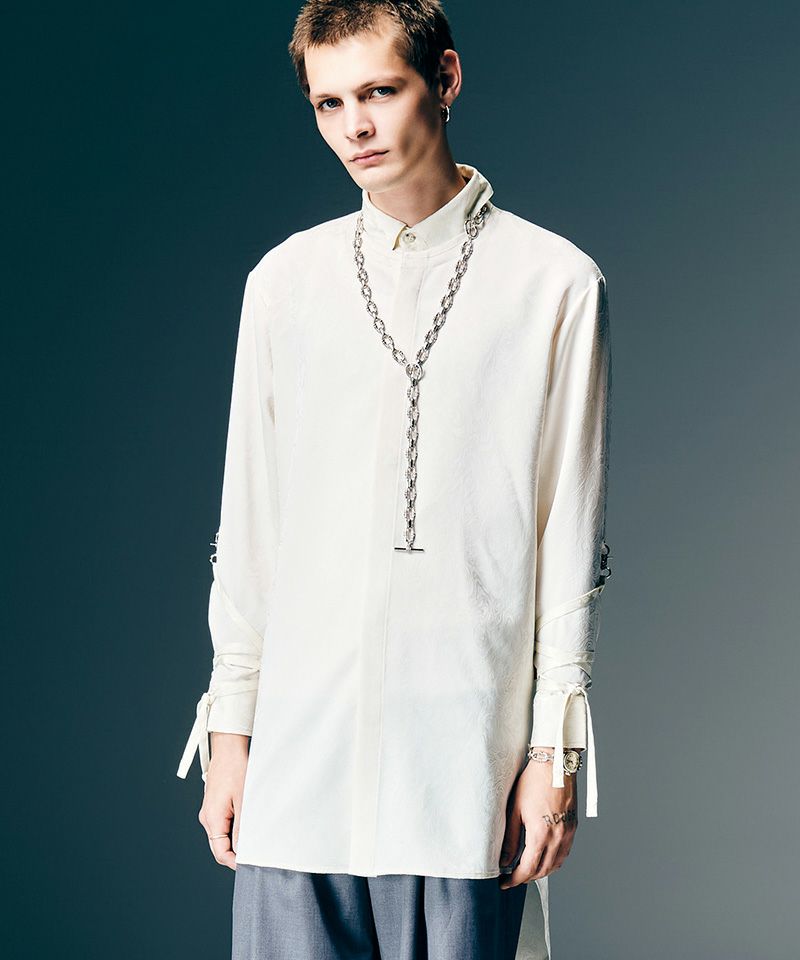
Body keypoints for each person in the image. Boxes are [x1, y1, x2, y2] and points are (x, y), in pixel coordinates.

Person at [175, 2, 613, 958]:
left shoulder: (555, 284)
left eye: (379, 91)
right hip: (302, 760)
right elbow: (251, 526)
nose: (355, 128)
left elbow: (568, 536)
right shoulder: (285, 282)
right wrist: (231, 734)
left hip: (461, 763)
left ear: (445, 80)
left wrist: (554, 750)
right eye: (328, 104)